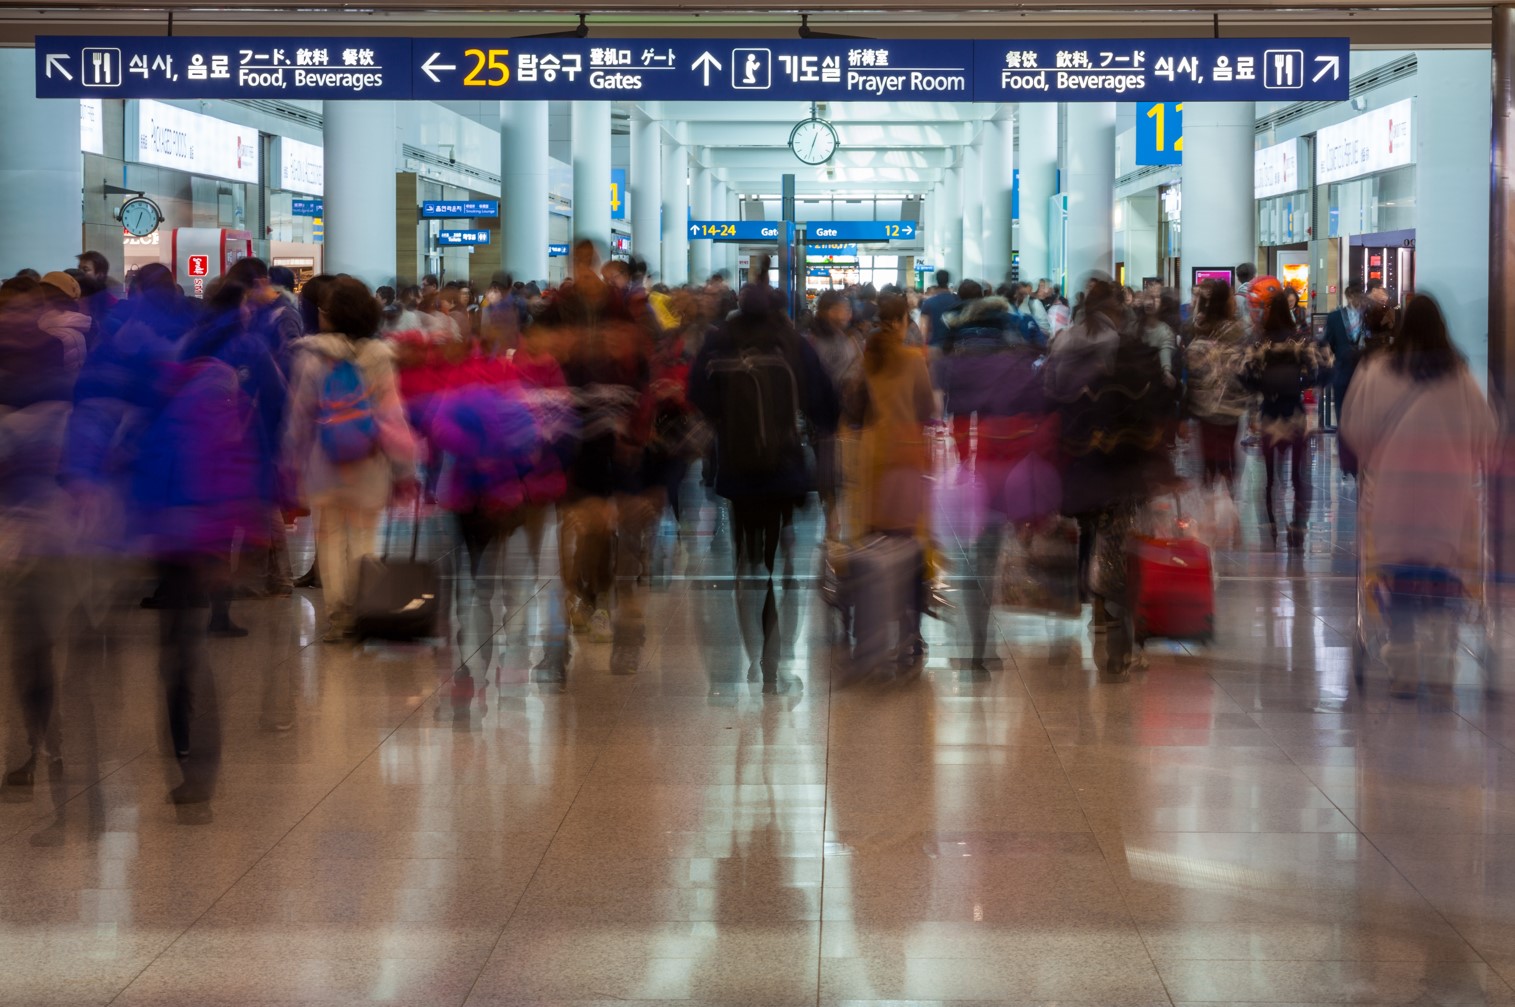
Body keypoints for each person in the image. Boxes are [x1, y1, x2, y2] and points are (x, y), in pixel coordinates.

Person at [1341, 294, 1496, 698]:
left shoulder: (1377, 372)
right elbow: (1487, 435)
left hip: (1393, 496)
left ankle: (1404, 666)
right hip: (1448, 498)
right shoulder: (1460, 377)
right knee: (1443, 577)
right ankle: (1442, 665)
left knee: (1399, 575)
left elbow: (1355, 429)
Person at [690, 270, 838, 686]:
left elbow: (696, 395)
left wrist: (723, 420)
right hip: (783, 464)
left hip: (736, 464)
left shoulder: (720, 339)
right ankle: (774, 652)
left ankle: (752, 636)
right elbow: (824, 400)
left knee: (746, 553)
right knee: (775, 549)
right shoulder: (792, 340)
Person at [1044, 279, 1175, 677]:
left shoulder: (1066, 343)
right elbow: (1162, 409)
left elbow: (1050, 396)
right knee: (1121, 548)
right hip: (1126, 468)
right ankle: (1116, 640)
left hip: (1083, 460)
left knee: (1093, 535)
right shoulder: (1137, 355)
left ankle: (1097, 609)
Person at [284, 276, 419, 643]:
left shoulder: (311, 356)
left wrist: (292, 463)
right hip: (369, 460)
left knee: (329, 539)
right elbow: (393, 417)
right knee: (363, 538)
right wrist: (406, 467)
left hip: (325, 462)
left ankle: (338, 616)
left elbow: (299, 417)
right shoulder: (380, 358)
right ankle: (363, 610)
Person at [1241, 291, 1332, 549]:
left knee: (1269, 478)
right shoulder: (1301, 341)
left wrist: (1261, 386)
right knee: (1299, 476)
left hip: (1270, 412)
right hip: (1295, 413)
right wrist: (1305, 383)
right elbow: (1323, 368)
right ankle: (1298, 528)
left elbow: (1243, 373)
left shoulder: (1260, 343)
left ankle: (1269, 527)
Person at [807, 290, 865, 540]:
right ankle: (832, 512)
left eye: (848, 309)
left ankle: (843, 511)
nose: (847, 314)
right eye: (842, 308)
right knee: (826, 465)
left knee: (846, 463)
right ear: (827, 311)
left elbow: (860, 370)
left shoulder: (850, 339)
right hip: (822, 413)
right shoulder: (812, 341)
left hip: (846, 412)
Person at [1182, 281, 1250, 489]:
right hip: (1230, 405)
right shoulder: (1239, 332)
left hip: (1205, 406)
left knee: (1209, 458)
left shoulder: (1197, 329)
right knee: (1228, 453)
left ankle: (1211, 500)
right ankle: (1228, 501)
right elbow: (1246, 370)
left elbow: (1191, 373)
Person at [1321, 281, 1364, 431]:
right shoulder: (1335, 317)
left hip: (1363, 369)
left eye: (1358, 295)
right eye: (1352, 295)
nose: (1355, 298)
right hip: (1342, 368)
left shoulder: (1369, 316)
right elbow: (1328, 342)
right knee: (1342, 408)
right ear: (1347, 296)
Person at [919, 270, 960, 350]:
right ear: (948, 280)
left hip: (934, 346)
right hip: (955, 347)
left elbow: (923, 330)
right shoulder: (957, 301)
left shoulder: (929, 302)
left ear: (936, 280)